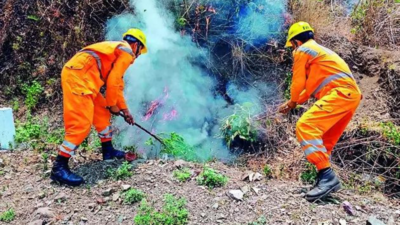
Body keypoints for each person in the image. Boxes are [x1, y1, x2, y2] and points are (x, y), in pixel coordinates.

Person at [50, 29, 148, 186]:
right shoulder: (127, 52)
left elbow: (117, 86)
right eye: (139, 52)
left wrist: (124, 111)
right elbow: (113, 82)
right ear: (136, 45)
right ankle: (59, 168)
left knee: (102, 113)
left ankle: (108, 150)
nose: (137, 57)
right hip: (79, 78)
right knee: (81, 124)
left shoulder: (117, 52)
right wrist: (112, 105)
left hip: (86, 80)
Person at [279, 22, 362, 201]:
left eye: (292, 46)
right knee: (324, 142)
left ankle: (327, 177)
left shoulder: (303, 50)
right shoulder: (319, 58)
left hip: (340, 94)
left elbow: (297, 83)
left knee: (305, 126)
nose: (292, 49)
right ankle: (324, 181)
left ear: (296, 42)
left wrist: (292, 100)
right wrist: (292, 104)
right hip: (350, 96)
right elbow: (307, 91)